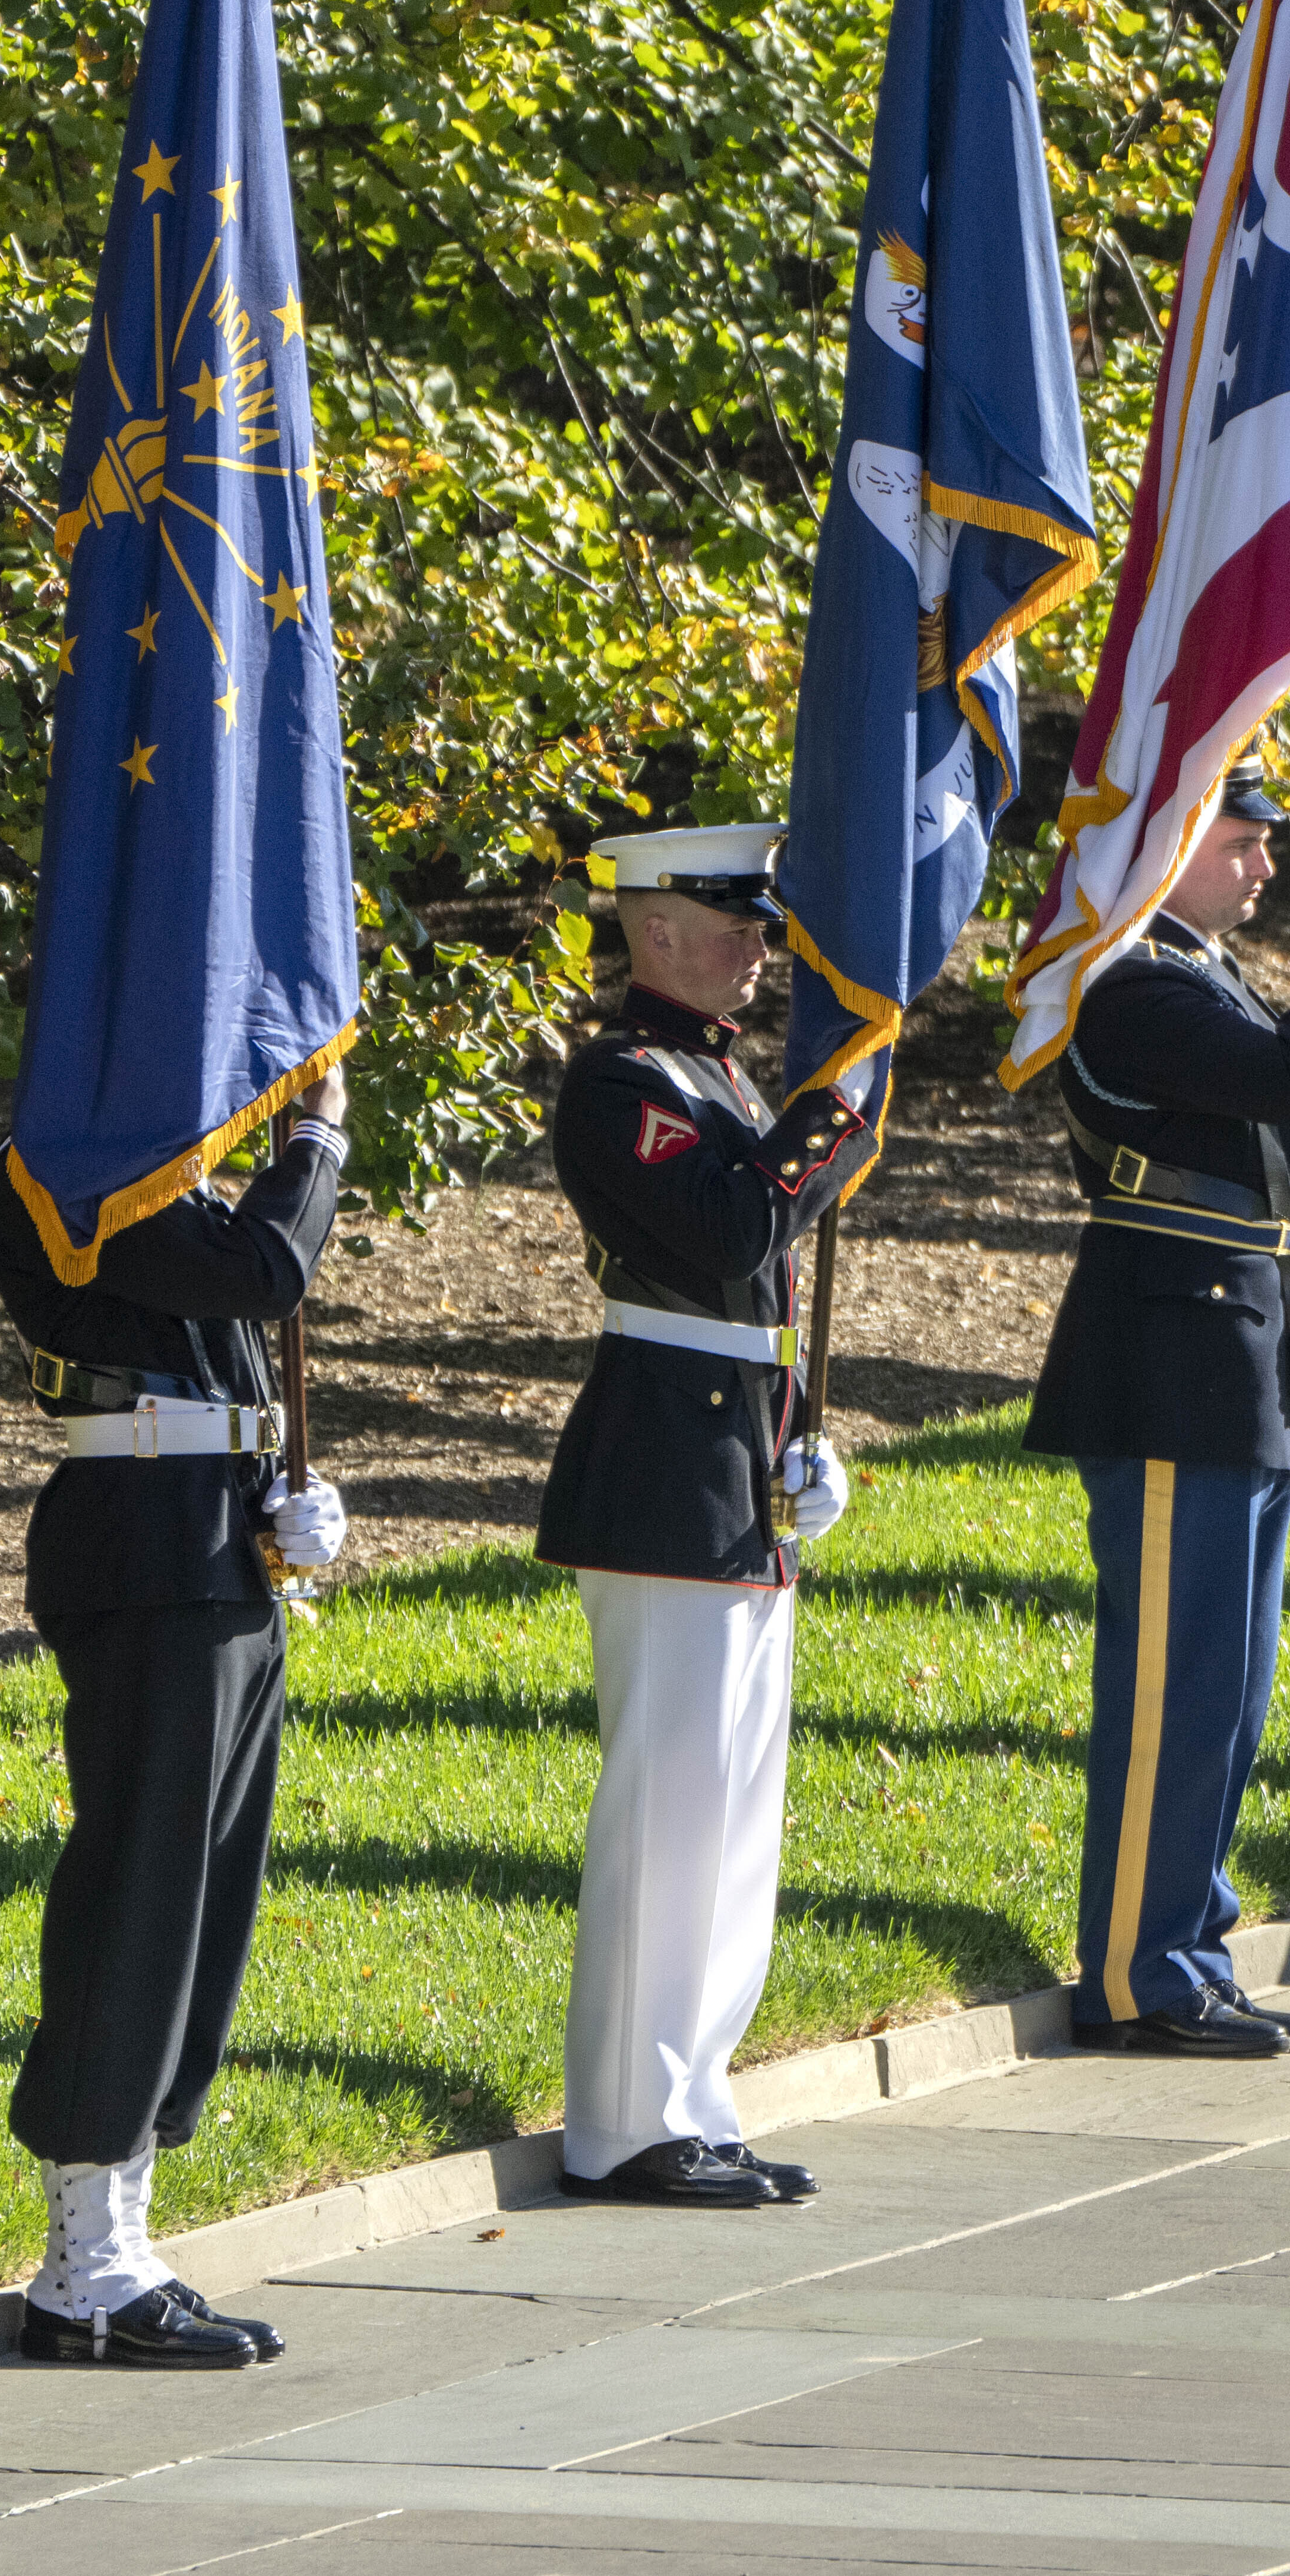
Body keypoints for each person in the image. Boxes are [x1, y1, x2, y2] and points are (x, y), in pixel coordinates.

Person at [0, 1073, 346, 2365]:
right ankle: (78, 2259)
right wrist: (318, 1137)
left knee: (206, 1903)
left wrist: (277, 1481)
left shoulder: (149, 1179)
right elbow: (262, 1268)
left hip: (208, 1546)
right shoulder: (69, 1172)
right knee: (142, 1894)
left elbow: (221, 1330)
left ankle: (124, 2228)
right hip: (143, 1557)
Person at [1026, 762, 1290, 2051]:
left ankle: (1190, 1937)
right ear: (1170, 843)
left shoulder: (1203, 978)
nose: (1265, 864)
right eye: (1240, 840)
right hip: (1171, 1372)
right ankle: (1138, 1971)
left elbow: (1265, 1165)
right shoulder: (1131, 984)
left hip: (1237, 1367)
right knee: (1174, 1692)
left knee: (1230, 1694)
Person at [538, 824, 865, 2202]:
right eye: (730, 920)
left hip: (737, 1466)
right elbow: (730, 1233)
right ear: (653, 925)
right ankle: (623, 2118)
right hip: (663, 1469)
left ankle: (695, 2093)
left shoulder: (720, 1075)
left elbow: (755, 1286)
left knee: (736, 1814)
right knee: (668, 1809)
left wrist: (804, 1440)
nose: (757, 944)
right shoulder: (619, 1082)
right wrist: (819, 1121)